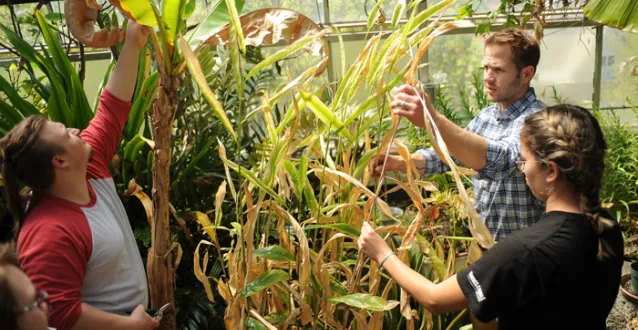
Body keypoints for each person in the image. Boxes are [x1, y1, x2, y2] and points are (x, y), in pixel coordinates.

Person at [359, 104, 624, 329]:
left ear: (551, 171)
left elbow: (435, 299)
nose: (521, 170)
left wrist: (382, 253)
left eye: (523, 161)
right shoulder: (607, 226)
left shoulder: (523, 252)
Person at [0, 21, 159, 330]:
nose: (75, 130)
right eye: (66, 133)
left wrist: (132, 45)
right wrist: (127, 326)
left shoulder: (90, 166)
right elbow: (57, 313)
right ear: (60, 161)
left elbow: (112, 108)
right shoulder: (49, 231)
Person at [371, 28, 545, 239]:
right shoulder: (486, 117)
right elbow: (448, 156)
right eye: (486, 68)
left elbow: (502, 161)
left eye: (498, 70)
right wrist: (400, 162)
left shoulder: (539, 120)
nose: (488, 78)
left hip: (523, 255)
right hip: (485, 247)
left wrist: (433, 120)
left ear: (526, 74)